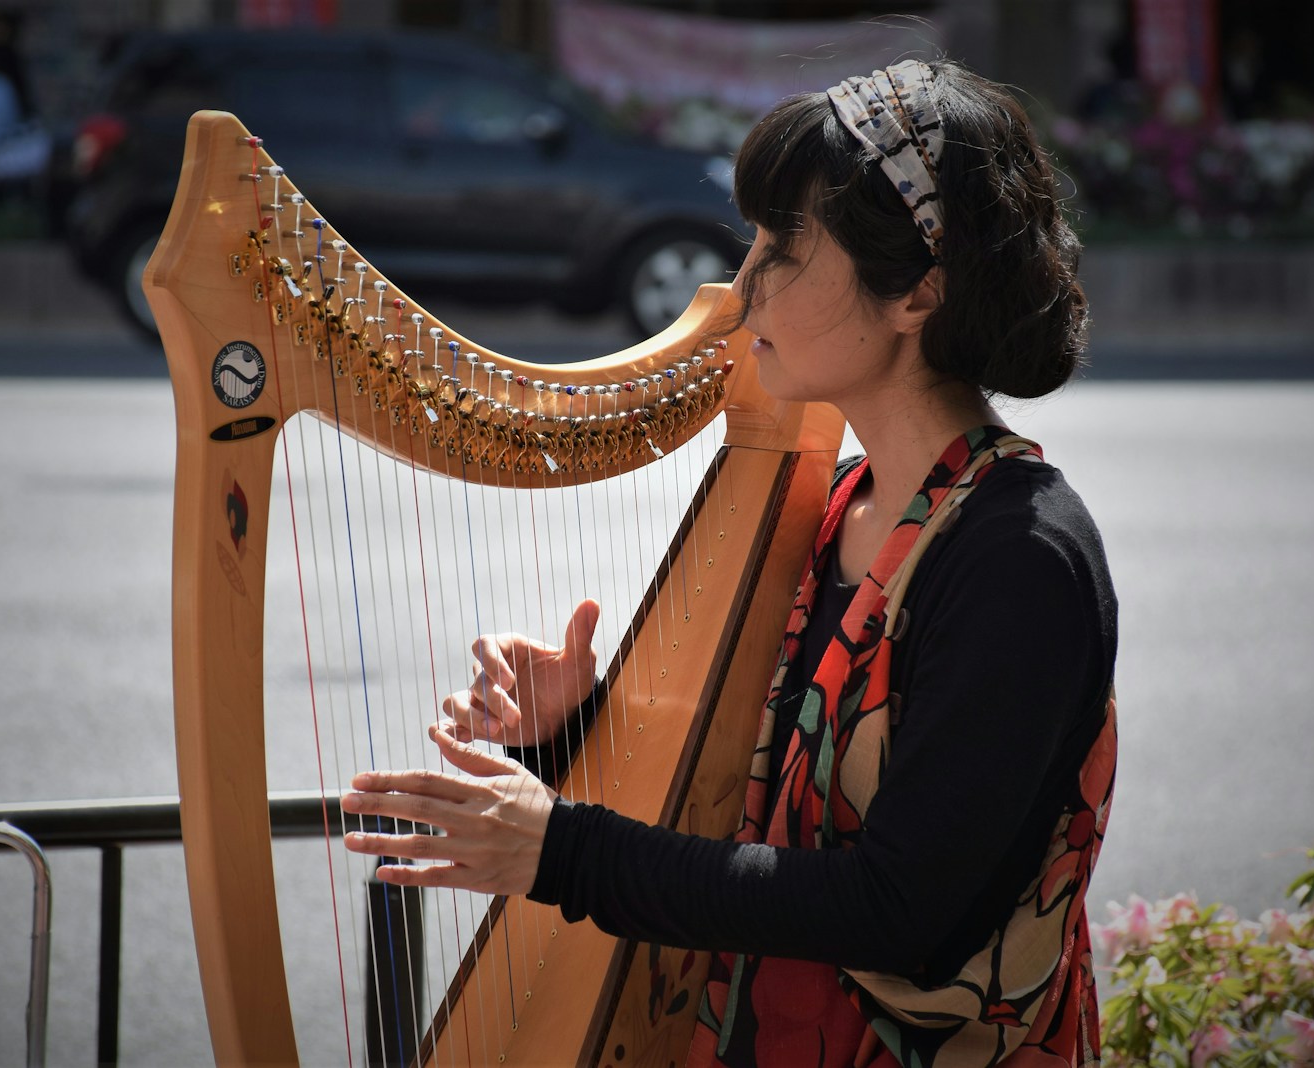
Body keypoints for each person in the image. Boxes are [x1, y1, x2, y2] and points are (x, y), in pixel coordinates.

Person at [342, 57, 1118, 1067]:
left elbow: (900, 909)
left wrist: (561, 848)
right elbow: (742, 814)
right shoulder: (833, 501)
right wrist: (577, 734)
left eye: (782, 248)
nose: (740, 283)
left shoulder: (1019, 559)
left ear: (915, 294)